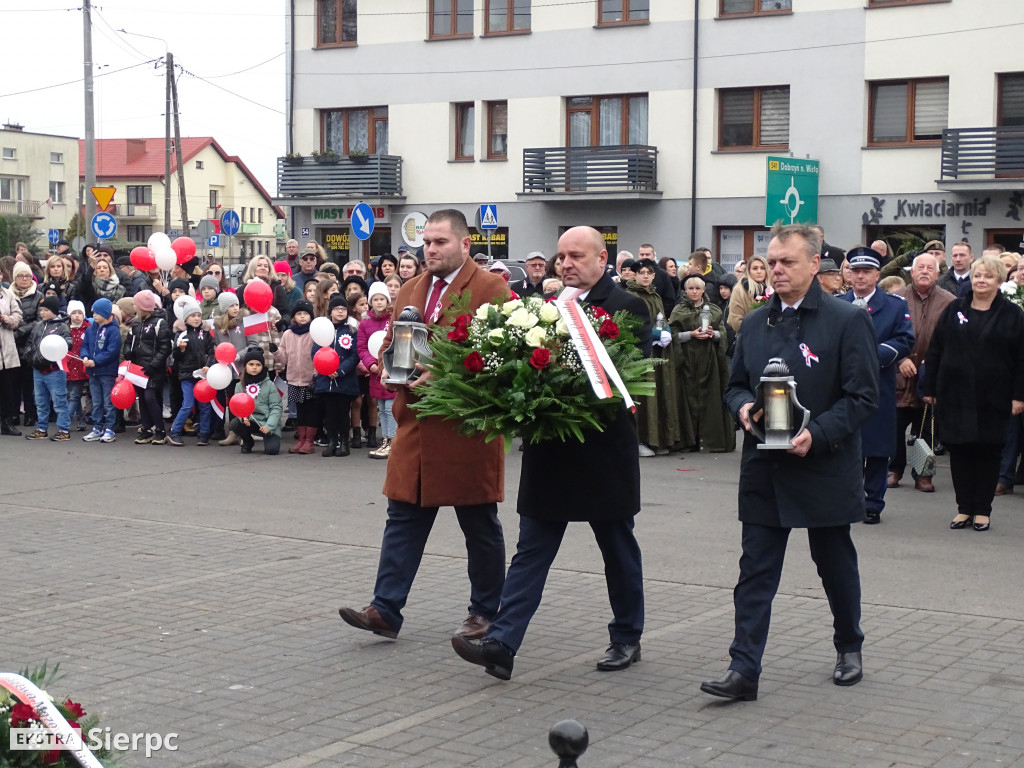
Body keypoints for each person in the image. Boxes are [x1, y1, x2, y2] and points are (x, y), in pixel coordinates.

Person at [452, 225, 650, 680]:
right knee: (531, 551)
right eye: (562, 256)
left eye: (577, 256)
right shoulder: (544, 307)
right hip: (550, 453)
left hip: (603, 453)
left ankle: (626, 637)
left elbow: (630, 373)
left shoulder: (627, 306)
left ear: (603, 260)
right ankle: (502, 643)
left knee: (617, 550)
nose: (567, 264)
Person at [700, 223, 879, 702]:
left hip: (823, 464)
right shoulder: (757, 322)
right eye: (771, 262)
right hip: (765, 466)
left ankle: (849, 646)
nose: (775, 270)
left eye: (787, 262)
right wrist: (741, 408)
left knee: (833, 563)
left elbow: (863, 397)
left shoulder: (846, 320)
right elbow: (736, 383)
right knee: (755, 571)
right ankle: (744, 669)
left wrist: (815, 434)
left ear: (814, 264)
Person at [338, 208, 509, 642]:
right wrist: (386, 362)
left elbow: (504, 357)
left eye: (440, 243)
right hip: (415, 423)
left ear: (465, 244)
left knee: (479, 525)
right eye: (426, 243)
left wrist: (448, 373)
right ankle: (385, 609)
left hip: (464, 429)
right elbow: (399, 342)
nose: (430, 250)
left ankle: (486, 612)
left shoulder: (491, 289)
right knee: (402, 518)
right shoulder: (412, 287)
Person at [924, 255, 1024, 533]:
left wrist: (1019, 396)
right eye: (978, 275)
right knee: (960, 452)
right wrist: (929, 386)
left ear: (999, 281)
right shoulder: (955, 308)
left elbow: (1021, 358)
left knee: (988, 452)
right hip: (955, 393)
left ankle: (983, 510)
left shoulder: (1013, 315)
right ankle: (964, 508)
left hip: (995, 396)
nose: (981, 280)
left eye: (988, 276)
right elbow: (936, 349)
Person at [837, 248, 915, 525]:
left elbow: (905, 340)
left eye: (866, 271)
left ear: (877, 275)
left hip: (877, 384)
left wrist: (872, 357)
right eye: (855, 271)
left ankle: (872, 502)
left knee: (878, 447)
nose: (860, 276)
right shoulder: (836, 302)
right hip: (842, 387)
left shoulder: (894, 305)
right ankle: (850, 499)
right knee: (847, 445)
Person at [889, 255, 955, 493]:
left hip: (931, 377)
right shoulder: (895, 299)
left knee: (927, 429)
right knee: (894, 428)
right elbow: (884, 336)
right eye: (920, 268)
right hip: (899, 374)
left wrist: (936, 361)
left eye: (930, 268)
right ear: (911, 272)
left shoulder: (950, 302)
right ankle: (894, 470)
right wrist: (901, 359)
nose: (925, 271)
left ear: (938, 274)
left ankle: (923, 474)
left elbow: (956, 340)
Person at [670, 275, 735, 454]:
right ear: (686, 290)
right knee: (688, 398)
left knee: (709, 399)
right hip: (687, 360)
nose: (694, 292)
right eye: (691, 288)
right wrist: (690, 334)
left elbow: (723, 334)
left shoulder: (713, 310)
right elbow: (672, 335)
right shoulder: (678, 310)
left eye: (698, 288)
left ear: (703, 290)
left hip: (709, 360)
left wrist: (711, 334)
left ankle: (710, 440)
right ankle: (688, 440)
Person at [624, 258, 678, 457]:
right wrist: (652, 336)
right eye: (641, 273)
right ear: (635, 275)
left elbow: (661, 318)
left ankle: (659, 438)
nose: (645, 276)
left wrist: (665, 332)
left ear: (654, 275)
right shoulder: (630, 296)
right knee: (643, 397)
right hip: (640, 353)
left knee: (659, 393)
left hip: (658, 353)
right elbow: (630, 326)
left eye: (649, 272)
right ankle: (639, 439)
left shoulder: (655, 296)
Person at [124, 289, 173, 445]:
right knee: (143, 400)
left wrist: (154, 365)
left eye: (136, 305)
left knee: (150, 397)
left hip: (153, 368)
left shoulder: (160, 323)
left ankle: (160, 429)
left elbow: (165, 347)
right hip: (138, 368)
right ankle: (146, 428)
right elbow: (128, 342)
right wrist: (128, 353)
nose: (133, 307)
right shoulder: (136, 323)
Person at [313, 295, 360, 456]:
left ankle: (344, 443)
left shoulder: (351, 330)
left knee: (343, 413)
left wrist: (340, 370)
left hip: (344, 380)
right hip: (326, 380)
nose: (340, 312)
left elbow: (354, 355)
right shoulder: (323, 329)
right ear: (330, 311)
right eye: (336, 309)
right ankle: (332, 442)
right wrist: (326, 369)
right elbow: (316, 352)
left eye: (343, 309)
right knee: (329, 413)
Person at [24, 296, 73, 441]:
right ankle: (41, 428)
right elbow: (29, 343)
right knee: (40, 400)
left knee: (59, 401)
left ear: (54, 310)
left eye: (46, 310)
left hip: (54, 370)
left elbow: (68, 344)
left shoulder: (62, 327)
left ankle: (64, 429)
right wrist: (30, 357)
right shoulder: (38, 326)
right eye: (41, 310)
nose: (42, 313)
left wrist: (47, 357)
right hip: (38, 370)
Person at [167, 300, 215, 446]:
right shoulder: (181, 334)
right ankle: (175, 431)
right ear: (186, 318)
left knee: (205, 404)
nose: (196, 318)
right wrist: (180, 350)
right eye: (193, 315)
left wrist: (208, 365)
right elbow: (175, 357)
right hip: (187, 374)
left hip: (202, 374)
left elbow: (212, 351)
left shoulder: (205, 334)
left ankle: (204, 433)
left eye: (199, 315)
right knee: (187, 404)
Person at [274, 300, 317, 454]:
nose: (302, 316)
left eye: (306, 314)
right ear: (294, 317)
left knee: (310, 410)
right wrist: (275, 351)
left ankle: (309, 441)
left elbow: (319, 355)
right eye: (299, 314)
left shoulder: (314, 333)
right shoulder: (288, 334)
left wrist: (316, 373)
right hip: (293, 379)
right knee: (299, 411)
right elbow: (283, 357)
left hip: (309, 379)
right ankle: (301, 439)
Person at [359, 283, 396, 459]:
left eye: (382, 299)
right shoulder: (365, 323)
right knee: (381, 407)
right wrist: (370, 364)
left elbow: (396, 344)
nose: (379, 302)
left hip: (390, 370)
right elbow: (362, 347)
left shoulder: (394, 320)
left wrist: (386, 364)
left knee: (390, 407)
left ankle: (393, 441)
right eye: (375, 299)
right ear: (370, 302)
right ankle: (386, 440)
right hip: (375, 372)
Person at [80, 297, 121, 443]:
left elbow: (112, 351)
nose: (94, 316)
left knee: (108, 401)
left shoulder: (113, 330)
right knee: (96, 401)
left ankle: (110, 428)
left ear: (104, 313)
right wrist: (84, 356)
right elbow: (84, 345)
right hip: (93, 372)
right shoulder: (91, 329)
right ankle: (97, 427)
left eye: (96, 313)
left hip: (107, 372)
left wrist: (95, 361)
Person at [230, 347, 284, 455]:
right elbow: (238, 406)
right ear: (245, 366)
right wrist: (243, 417)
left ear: (262, 366)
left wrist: (269, 426)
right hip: (251, 421)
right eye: (251, 364)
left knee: (272, 451)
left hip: (267, 422)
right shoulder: (239, 385)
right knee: (234, 424)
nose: (254, 367)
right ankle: (248, 442)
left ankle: (269, 436)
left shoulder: (269, 385)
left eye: (258, 365)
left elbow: (276, 407)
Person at [12, 261, 41, 428]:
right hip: (12, 346)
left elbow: (39, 320)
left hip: (31, 345)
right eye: (21, 276)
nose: (24, 279)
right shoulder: (8, 295)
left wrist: (20, 330)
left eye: (27, 276)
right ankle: (13, 414)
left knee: (29, 383)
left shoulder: (38, 295)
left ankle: (31, 414)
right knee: (13, 384)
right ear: (15, 278)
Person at [0, 275, 23, 436]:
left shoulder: (7, 294)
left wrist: (9, 319)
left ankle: (6, 423)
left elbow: (18, 315)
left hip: (6, 349)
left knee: (6, 389)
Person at [727, 254, 771, 333]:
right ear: (749, 271)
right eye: (755, 268)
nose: (759, 271)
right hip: (748, 338)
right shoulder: (739, 290)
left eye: (762, 268)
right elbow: (735, 322)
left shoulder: (772, 289)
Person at [64, 300, 90, 431]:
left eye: (80, 313)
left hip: (81, 367)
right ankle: (81, 421)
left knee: (75, 395)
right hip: (68, 366)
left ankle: (65, 422)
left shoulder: (89, 328)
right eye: (74, 313)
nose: (77, 316)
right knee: (73, 395)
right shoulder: (66, 328)